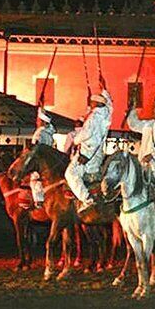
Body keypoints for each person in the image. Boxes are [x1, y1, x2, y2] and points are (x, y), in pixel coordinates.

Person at [64, 76, 112, 213]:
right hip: (98, 154)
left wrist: (75, 140)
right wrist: (104, 89)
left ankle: (87, 199)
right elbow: (109, 104)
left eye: (91, 102)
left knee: (70, 174)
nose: (90, 104)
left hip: (87, 155)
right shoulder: (107, 115)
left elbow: (86, 135)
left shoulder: (93, 118)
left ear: (96, 104)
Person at [30, 107, 55, 208]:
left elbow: (35, 148)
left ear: (42, 122)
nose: (36, 121)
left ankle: (38, 201)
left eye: (38, 120)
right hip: (49, 160)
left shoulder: (40, 133)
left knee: (34, 180)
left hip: (41, 160)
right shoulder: (48, 132)